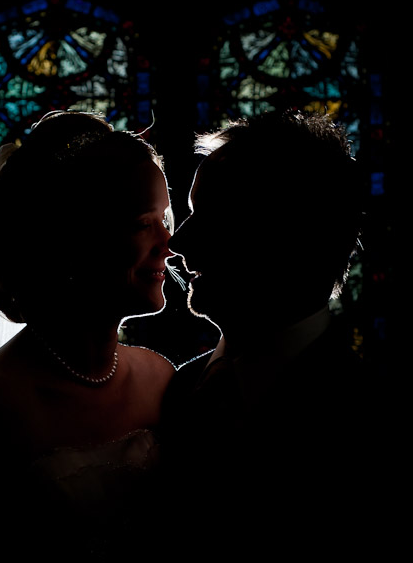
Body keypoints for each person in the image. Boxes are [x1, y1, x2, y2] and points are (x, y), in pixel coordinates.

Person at [0, 111, 177, 562]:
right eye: (144, 223)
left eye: (166, 218)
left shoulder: (161, 378)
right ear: (76, 239)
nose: (168, 242)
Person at [157, 109, 392, 555]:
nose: (178, 244)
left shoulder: (363, 420)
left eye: (212, 216)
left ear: (286, 235)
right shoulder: (177, 389)